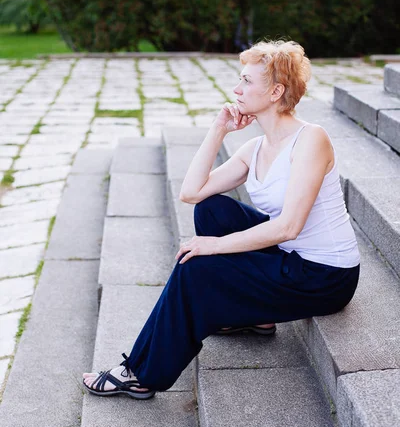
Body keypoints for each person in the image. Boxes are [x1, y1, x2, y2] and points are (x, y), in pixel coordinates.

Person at [82, 39, 361, 400]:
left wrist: (214, 247)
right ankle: (255, 318)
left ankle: (141, 373)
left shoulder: (311, 140)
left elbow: (288, 227)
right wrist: (218, 130)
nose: (236, 89)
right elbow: (191, 193)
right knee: (211, 209)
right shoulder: (255, 148)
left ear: (276, 91)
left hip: (324, 276)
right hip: (291, 256)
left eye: (247, 81)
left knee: (196, 269)